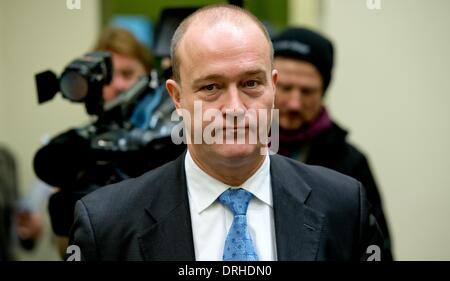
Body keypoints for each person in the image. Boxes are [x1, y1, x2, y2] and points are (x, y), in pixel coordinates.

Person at [68, 4, 384, 261]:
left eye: (250, 83)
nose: (234, 107)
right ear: (177, 98)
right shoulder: (107, 223)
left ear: (272, 87)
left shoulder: (343, 206)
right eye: (211, 87)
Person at [272, 27, 393, 260]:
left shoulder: (350, 162)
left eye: (307, 91)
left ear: (323, 92)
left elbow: (378, 250)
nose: (295, 103)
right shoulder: (234, 148)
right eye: (285, 88)